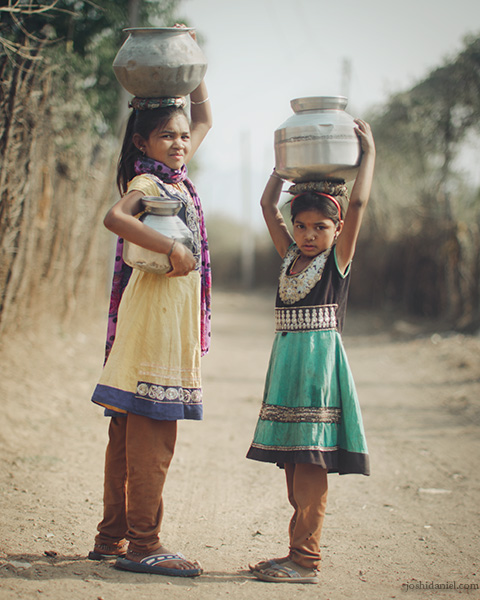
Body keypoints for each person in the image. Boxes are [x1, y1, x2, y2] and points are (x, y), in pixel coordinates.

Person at [87, 27, 212, 577]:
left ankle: (111, 537)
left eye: (182, 137)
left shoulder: (176, 178)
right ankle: (145, 544)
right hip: (157, 326)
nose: (180, 143)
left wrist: (194, 68)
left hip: (153, 322)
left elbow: (202, 120)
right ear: (143, 142)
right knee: (153, 434)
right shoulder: (150, 181)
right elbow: (116, 218)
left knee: (128, 431)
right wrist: (171, 246)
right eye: (166, 136)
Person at [246, 119, 375, 583]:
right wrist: (282, 168)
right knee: (293, 460)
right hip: (287, 364)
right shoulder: (289, 257)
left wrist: (369, 155)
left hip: (318, 367)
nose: (308, 234)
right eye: (301, 226)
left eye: (320, 227)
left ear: (337, 229)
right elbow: (266, 204)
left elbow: (358, 200)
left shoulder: (336, 262)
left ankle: (306, 561)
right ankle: (295, 552)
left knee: (311, 456)